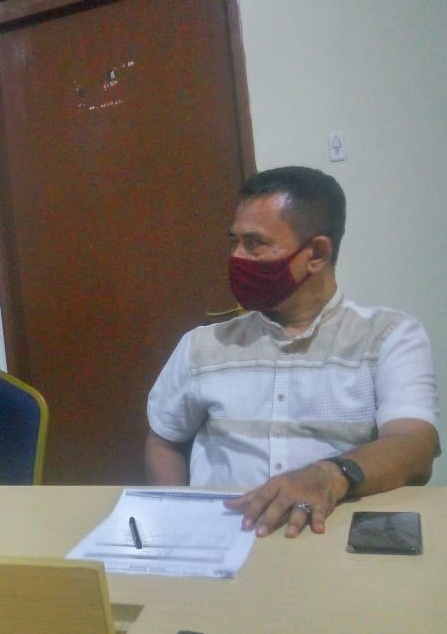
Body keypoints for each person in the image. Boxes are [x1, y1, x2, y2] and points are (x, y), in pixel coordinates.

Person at [145, 166, 440, 538]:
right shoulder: (203, 345)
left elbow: (415, 447)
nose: (237, 257)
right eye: (234, 241)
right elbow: (165, 440)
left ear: (316, 253)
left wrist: (329, 475)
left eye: (254, 243)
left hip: (332, 539)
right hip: (223, 538)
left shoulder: (388, 336)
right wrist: (176, 522)